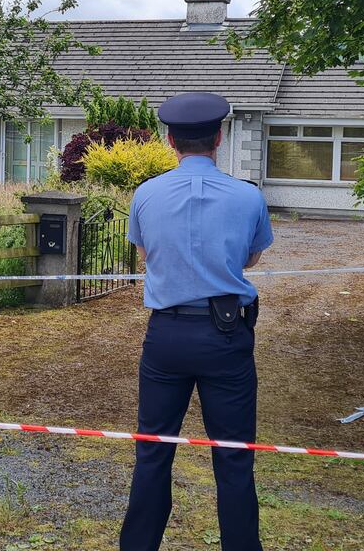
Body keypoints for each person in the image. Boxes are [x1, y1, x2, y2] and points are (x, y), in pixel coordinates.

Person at [120, 92, 273, 551]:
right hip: (226, 335)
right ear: (219, 137)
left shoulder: (146, 194)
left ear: (170, 140)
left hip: (166, 335)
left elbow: (145, 254)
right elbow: (250, 257)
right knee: (234, 458)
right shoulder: (248, 196)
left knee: (152, 451)